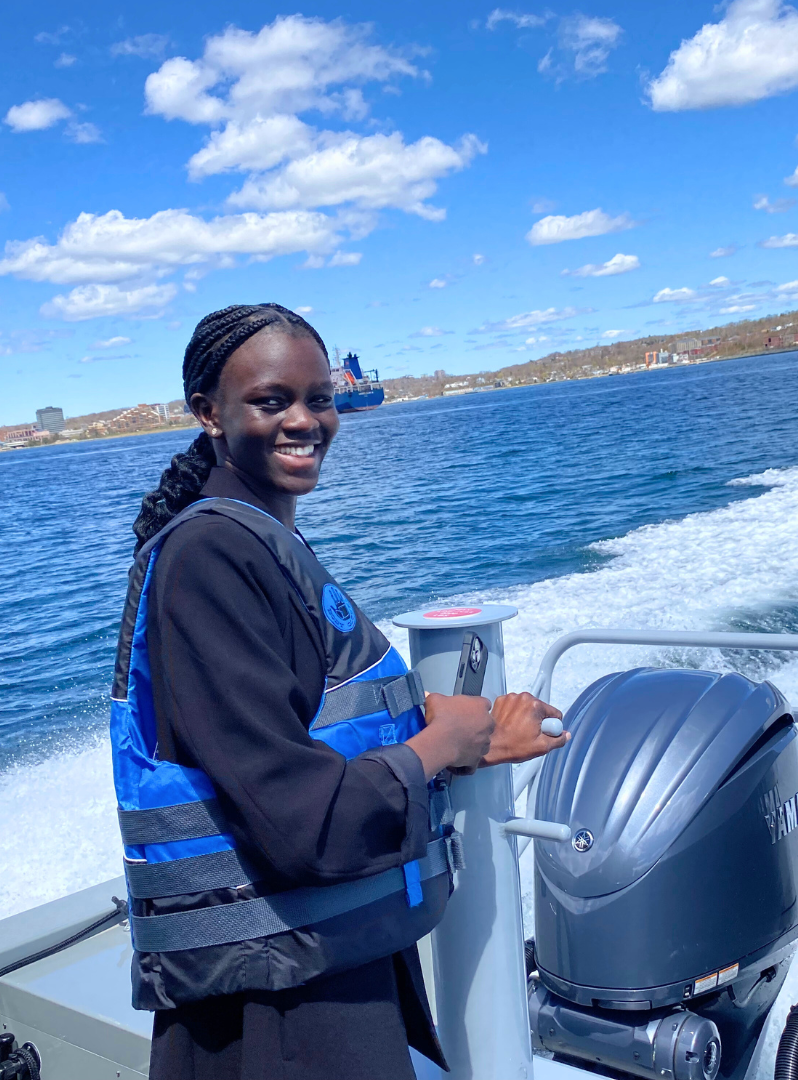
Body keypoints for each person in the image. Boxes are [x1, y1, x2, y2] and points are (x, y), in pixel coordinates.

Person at [110, 303, 569, 1080]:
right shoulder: (208, 561)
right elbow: (302, 820)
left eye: (319, 398)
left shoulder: (259, 542)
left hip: (323, 964)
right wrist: (440, 746)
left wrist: (472, 739)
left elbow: (312, 733)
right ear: (207, 414)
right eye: (271, 400)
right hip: (273, 1015)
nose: (305, 420)